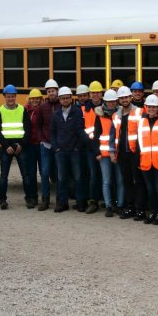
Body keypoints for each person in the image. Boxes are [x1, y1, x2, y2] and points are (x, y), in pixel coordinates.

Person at [0, 84, 34, 210]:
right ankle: (2, 200)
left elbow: (28, 129)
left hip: (19, 146)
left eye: (12, 96)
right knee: (3, 176)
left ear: (15, 97)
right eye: (8, 96)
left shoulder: (22, 110)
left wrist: (21, 144)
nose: (11, 99)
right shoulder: (0, 110)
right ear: (5, 97)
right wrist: (6, 146)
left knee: (26, 175)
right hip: (7, 147)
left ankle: (29, 199)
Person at [50, 86, 88, 213]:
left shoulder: (77, 112)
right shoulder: (56, 114)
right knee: (61, 178)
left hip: (74, 151)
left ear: (71, 99)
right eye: (62, 98)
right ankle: (62, 203)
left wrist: (77, 147)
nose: (65, 100)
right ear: (59, 99)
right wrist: (56, 148)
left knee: (78, 177)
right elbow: (52, 133)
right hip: (61, 151)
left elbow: (80, 130)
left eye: (67, 98)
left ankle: (81, 203)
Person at [137, 94, 158, 225]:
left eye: (153, 107)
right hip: (145, 162)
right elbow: (139, 143)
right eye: (149, 106)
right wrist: (138, 160)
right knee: (150, 190)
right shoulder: (141, 122)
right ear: (146, 107)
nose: (151, 109)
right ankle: (153, 212)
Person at [113, 86, 144, 220]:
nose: (124, 100)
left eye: (126, 97)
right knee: (127, 182)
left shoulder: (139, 112)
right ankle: (130, 207)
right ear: (119, 99)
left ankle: (141, 209)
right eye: (122, 98)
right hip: (122, 154)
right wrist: (113, 152)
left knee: (138, 181)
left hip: (135, 153)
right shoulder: (116, 115)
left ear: (130, 97)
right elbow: (113, 135)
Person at [91, 89, 123, 217]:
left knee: (120, 181)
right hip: (104, 154)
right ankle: (109, 206)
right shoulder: (99, 115)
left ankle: (120, 205)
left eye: (113, 101)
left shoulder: (121, 114)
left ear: (116, 101)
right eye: (108, 101)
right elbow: (96, 134)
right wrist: (97, 152)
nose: (110, 104)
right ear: (105, 101)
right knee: (106, 181)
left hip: (118, 153)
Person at [36, 78, 60, 211]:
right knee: (44, 173)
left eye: (53, 91)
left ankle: (59, 199)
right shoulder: (42, 108)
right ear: (47, 93)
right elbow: (38, 125)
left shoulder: (62, 105)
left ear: (57, 91)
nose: (51, 93)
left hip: (58, 146)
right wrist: (41, 138)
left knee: (58, 173)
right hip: (45, 145)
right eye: (49, 91)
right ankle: (45, 199)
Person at [83, 80, 105, 213]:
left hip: (104, 145)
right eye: (93, 93)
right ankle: (93, 201)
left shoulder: (106, 106)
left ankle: (106, 200)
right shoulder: (84, 109)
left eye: (97, 92)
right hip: (90, 146)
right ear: (90, 94)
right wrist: (89, 142)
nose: (95, 95)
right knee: (93, 175)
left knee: (106, 176)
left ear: (101, 93)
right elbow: (81, 128)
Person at [24, 88, 43, 209]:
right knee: (31, 173)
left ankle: (45, 198)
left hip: (41, 145)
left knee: (43, 172)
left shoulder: (44, 110)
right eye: (33, 98)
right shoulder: (25, 111)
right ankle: (32, 198)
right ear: (30, 99)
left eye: (37, 98)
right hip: (29, 145)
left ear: (40, 99)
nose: (35, 100)